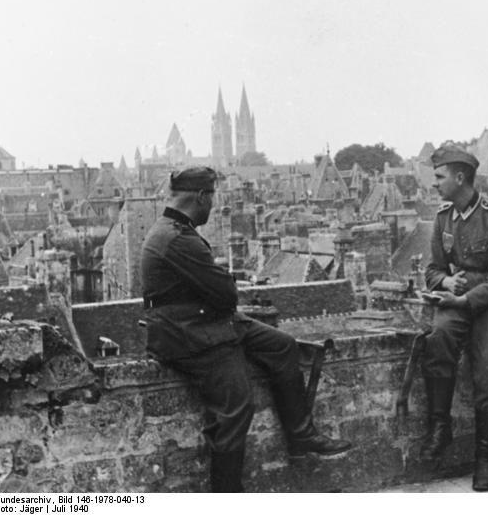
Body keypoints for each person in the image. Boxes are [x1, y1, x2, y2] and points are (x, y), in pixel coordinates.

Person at [140, 166, 351, 493]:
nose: (212, 205)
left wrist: (220, 288)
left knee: (282, 346)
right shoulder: (176, 238)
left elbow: (218, 292)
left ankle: (301, 436)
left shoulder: (173, 229)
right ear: (201, 196)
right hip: (190, 335)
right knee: (236, 406)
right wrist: (223, 284)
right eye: (211, 198)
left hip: (206, 321)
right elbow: (226, 293)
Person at [421, 144, 488, 492]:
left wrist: (464, 297)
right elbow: (433, 268)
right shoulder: (443, 219)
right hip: (460, 298)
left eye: (439, 176)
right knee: (437, 337)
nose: (434, 183)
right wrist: (445, 281)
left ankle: (485, 459)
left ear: (460, 177)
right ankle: (440, 426)